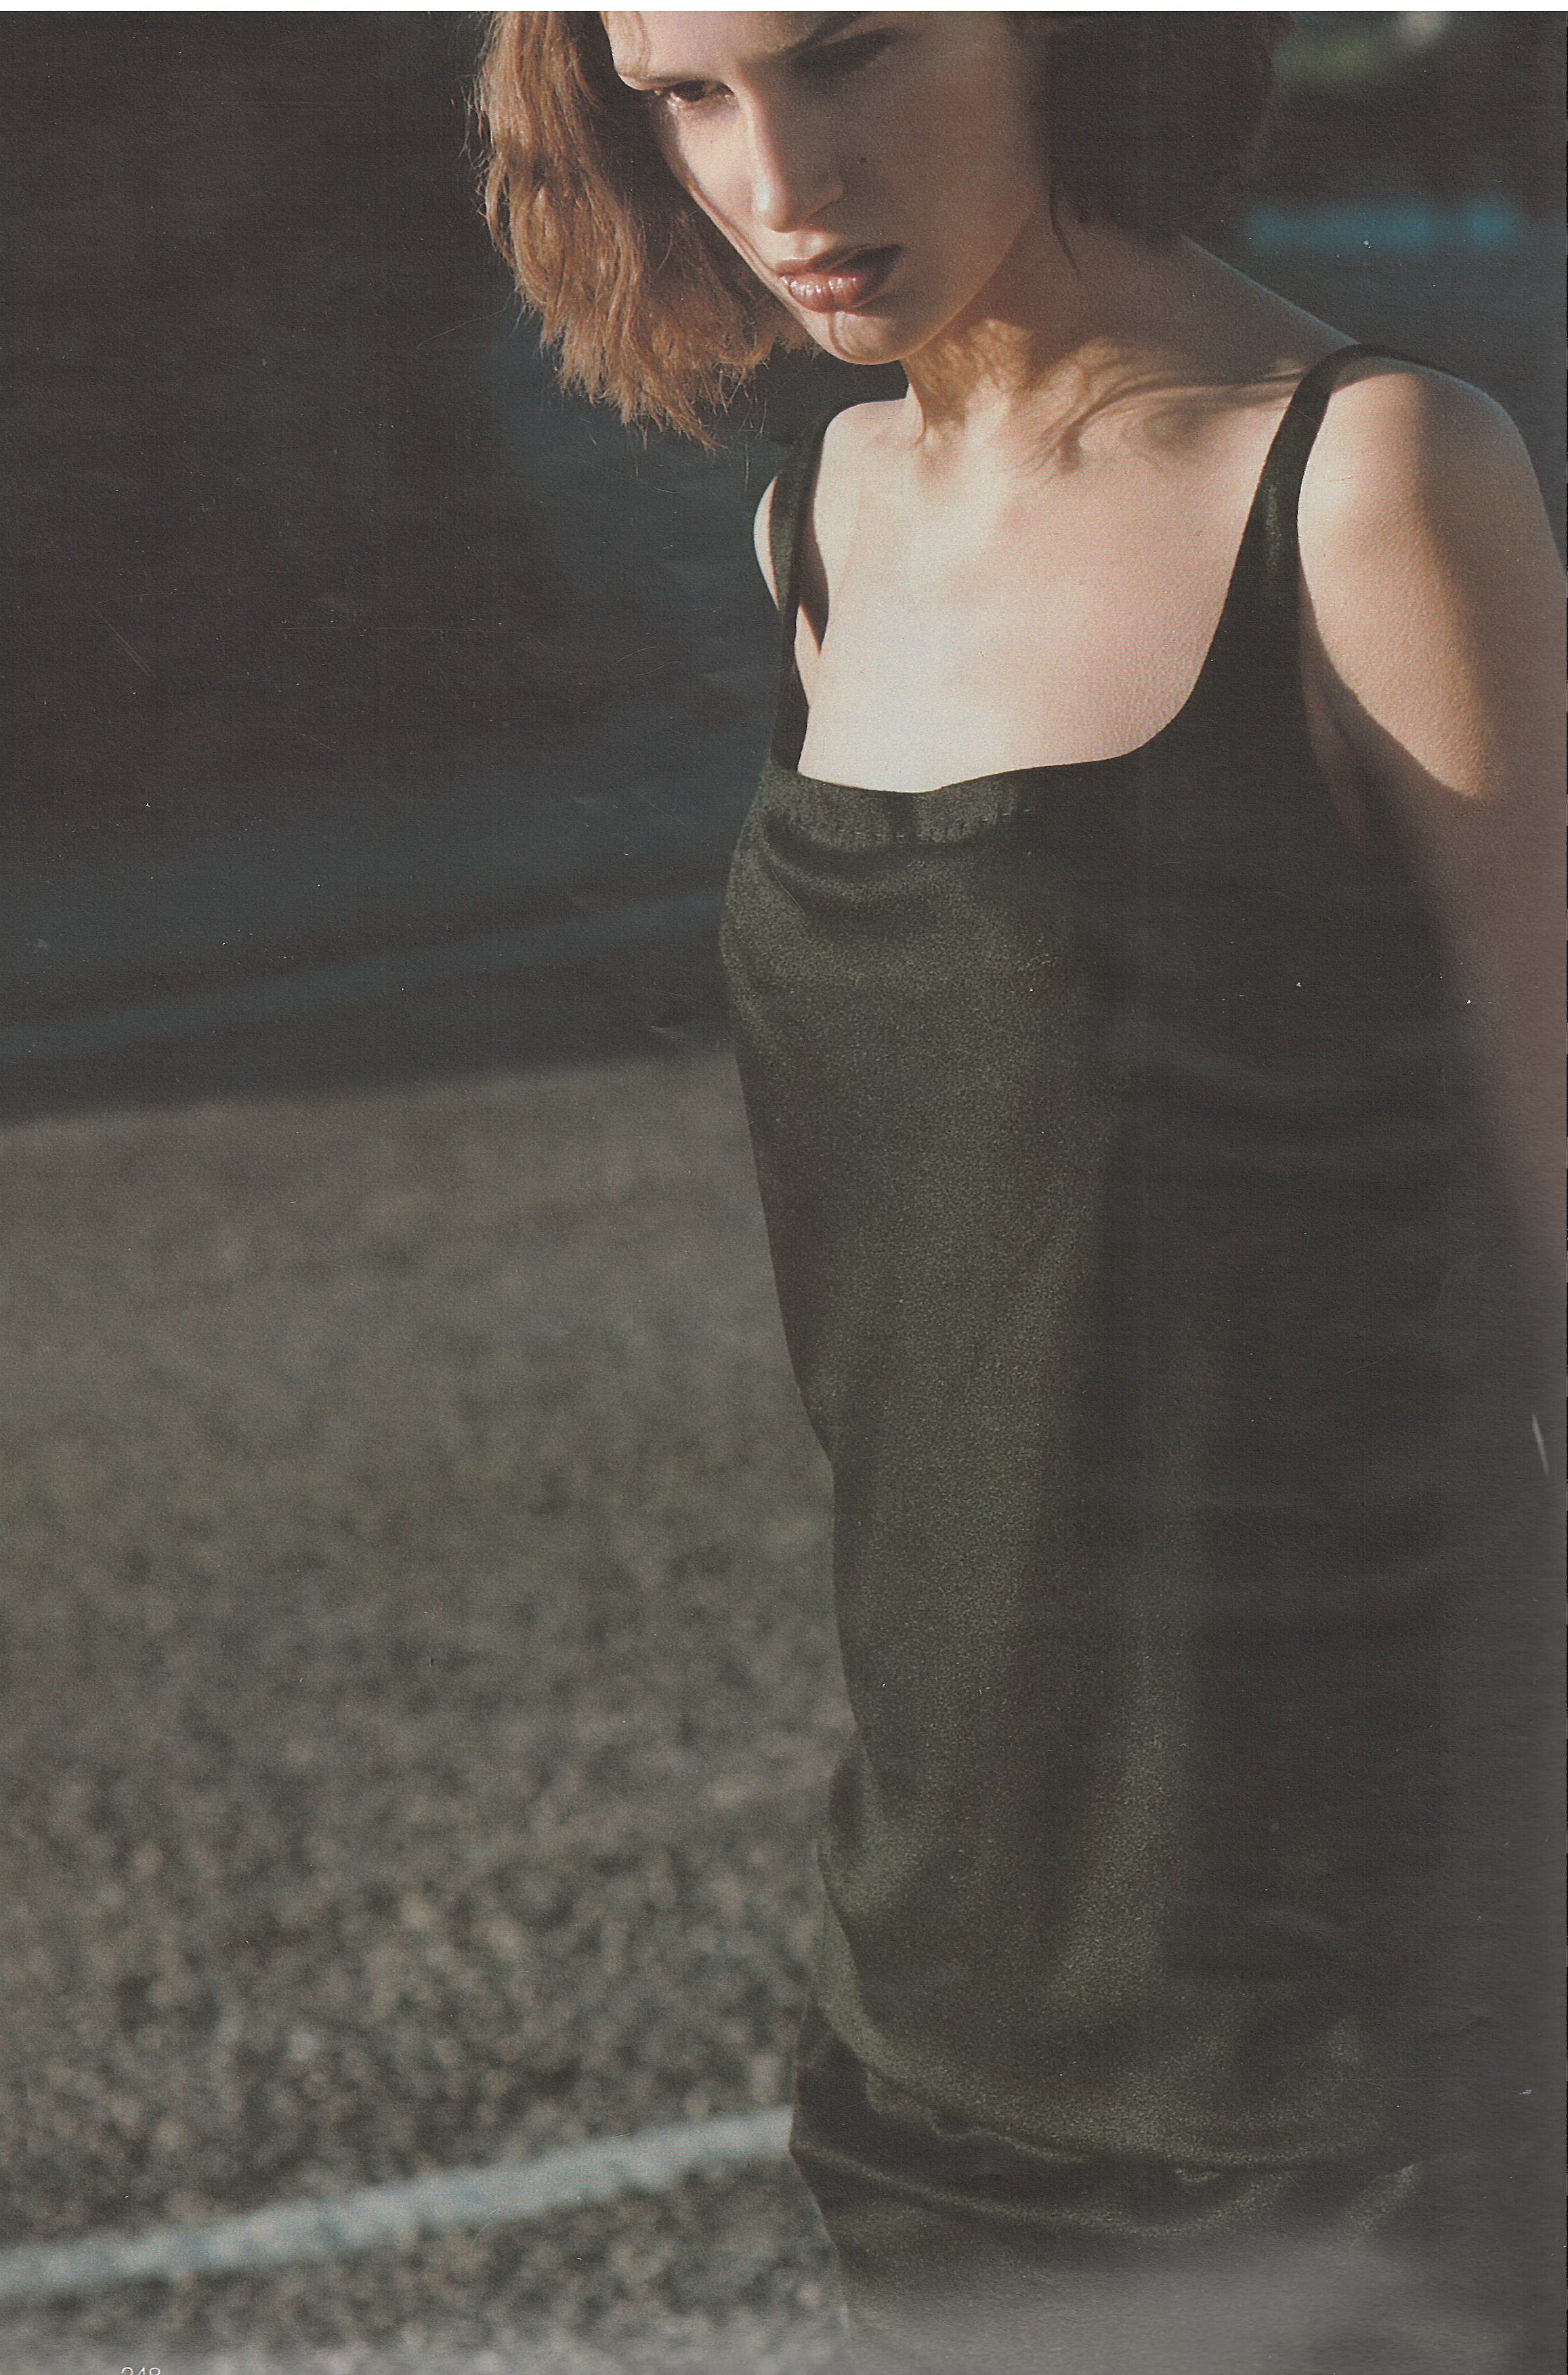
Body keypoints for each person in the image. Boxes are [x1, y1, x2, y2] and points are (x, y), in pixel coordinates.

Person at [475, 15, 1563, 2370]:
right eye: (684, 94)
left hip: (1370, 2012)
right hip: (949, 1988)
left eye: (847, 55)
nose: (775, 181)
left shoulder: (1363, 480)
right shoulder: (819, 522)